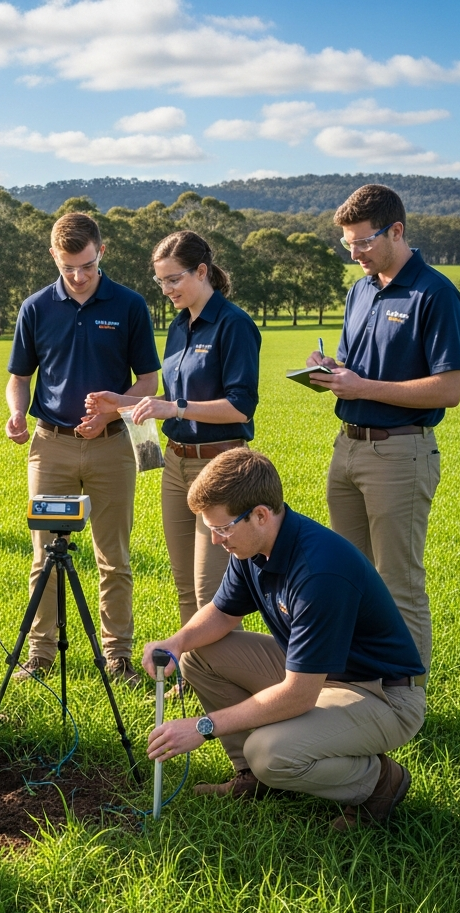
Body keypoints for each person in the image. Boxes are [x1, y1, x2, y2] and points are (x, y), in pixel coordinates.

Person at [143, 448, 426, 832]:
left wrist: (202, 727)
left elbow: (298, 695)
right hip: (320, 674)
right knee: (198, 655)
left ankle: (378, 782)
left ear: (260, 514)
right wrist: (177, 642)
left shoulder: (319, 572)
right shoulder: (252, 546)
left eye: (222, 528)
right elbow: (224, 613)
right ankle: (253, 779)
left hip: (380, 695)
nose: (214, 540)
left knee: (268, 753)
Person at [306, 184, 460, 676]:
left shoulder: (434, 293)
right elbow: (357, 368)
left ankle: (407, 694)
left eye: (363, 242)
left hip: (400, 454)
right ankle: (363, 681)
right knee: (348, 577)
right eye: (347, 244)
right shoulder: (360, 289)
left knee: (399, 581)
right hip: (347, 449)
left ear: (396, 231)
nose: (354, 253)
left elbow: (449, 388)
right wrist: (331, 370)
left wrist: (363, 386)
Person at [5, 212, 160, 684]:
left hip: (113, 449)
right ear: (54, 256)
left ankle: (118, 658)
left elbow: (149, 380)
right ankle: (41, 654)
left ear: (101, 252)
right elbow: (20, 378)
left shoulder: (131, 306)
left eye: (87, 266)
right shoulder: (35, 308)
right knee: (44, 556)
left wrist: (112, 412)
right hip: (49, 446)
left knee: (113, 558)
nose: (78, 276)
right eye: (68, 267)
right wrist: (15, 411)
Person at [87, 230, 260, 631]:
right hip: (175, 465)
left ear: (202, 272)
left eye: (173, 279)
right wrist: (121, 402)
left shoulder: (234, 325)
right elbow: (170, 400)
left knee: (210, 588)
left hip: (219, 467)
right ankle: (194, 673)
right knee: (184, 585)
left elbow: (240, 407)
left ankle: (224, 681)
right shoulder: (180, 326)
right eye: (160, 281)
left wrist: (174, 406)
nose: (166, 289)